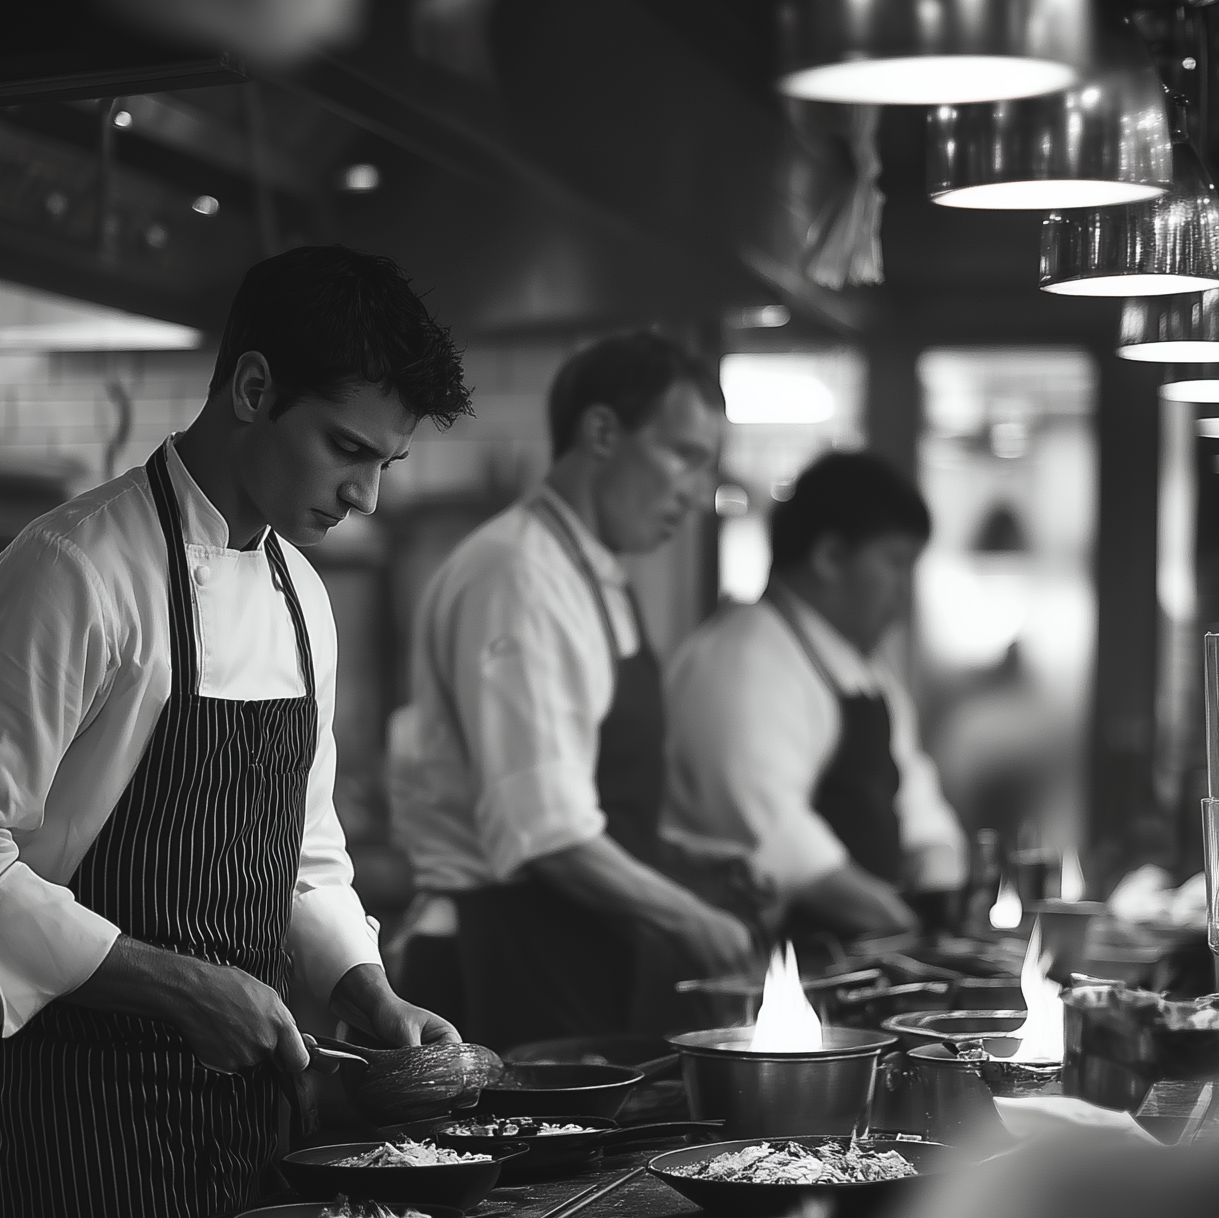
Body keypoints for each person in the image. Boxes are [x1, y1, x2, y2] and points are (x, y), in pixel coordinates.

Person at [0, 246, 472, 1218]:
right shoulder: (72, 571)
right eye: (347, 449)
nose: (367, 495)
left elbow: (303, 851)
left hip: (248, 1138)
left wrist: (364, 989)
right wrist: (178, 986)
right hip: (75, 1134)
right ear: (253, 388)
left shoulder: (302, 598)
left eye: (386, 462)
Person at [388, 331, 756, 1050]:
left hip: (572, 957)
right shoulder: (520, 575)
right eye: (684, 456)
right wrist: (694, 918)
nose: (697, 492)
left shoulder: (592, 572)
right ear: (602, 432)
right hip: (501, 964)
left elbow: (578, 793)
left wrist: (681, 853)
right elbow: (544, 833)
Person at [664, 450, 966, 942]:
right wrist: (908, 925)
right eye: (895, 563)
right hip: (767, 955)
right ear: (830, 557)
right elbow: (782, 843)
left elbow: (917, 800)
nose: (905, 592)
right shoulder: (745, 657)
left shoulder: (865, 667)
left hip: (858, 949)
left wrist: (939, 877)